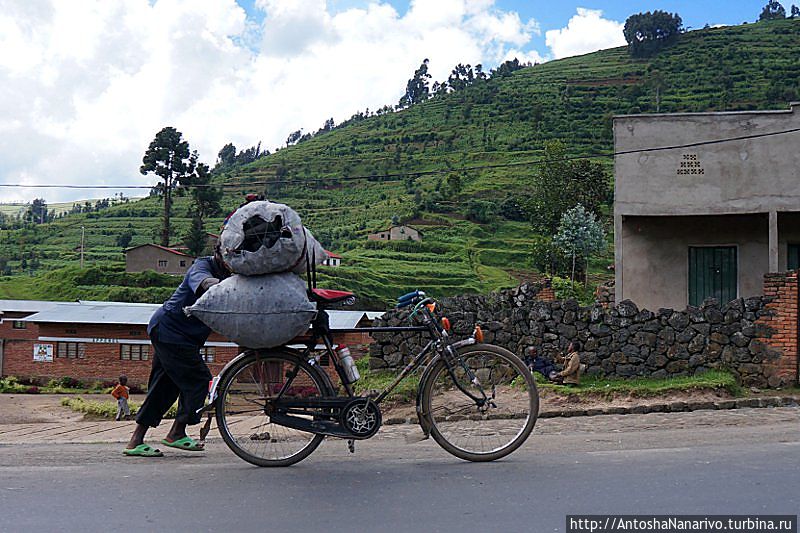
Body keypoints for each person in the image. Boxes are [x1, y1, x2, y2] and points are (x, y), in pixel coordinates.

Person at [123, 245, 231, 457]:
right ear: (218, 254)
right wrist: (226, 286)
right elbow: (202, 281)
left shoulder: (232, 273)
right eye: (228, 257)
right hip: (170, 330)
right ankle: (177, 432)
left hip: (180, 335)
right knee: (199, 380)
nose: (232, 262)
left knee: (165, 386)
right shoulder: (202, 265)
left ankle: (135, 441)